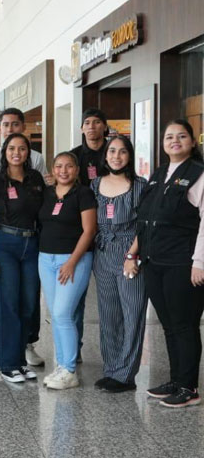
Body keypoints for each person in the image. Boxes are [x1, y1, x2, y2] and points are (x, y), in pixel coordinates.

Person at [133, 119, 204, 408]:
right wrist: (134, 254)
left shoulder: (199, 174)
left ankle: (189, 388)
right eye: (169, 137)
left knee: (184, 324)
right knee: (169, 325)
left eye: (182, 136)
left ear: (192, 141)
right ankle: (177, 380)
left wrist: (199, 262)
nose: (175, 141)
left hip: (183, 263)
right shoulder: (159, 174)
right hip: (154, 261)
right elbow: (146, 219)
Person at [0, 108, 46, 367]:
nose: (17, 153)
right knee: (8, 302)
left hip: (31, 245)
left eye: (22, 149)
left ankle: (21, 356)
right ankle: (8, 362)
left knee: (29, 302)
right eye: (12, 150)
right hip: (5, 245)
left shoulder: (36, 178)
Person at [90, 135, 147, 393]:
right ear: (105, 155)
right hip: (102, 254)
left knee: (132, 313)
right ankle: (112, 369)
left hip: (130, 254)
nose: (116, 156)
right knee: (109, 315)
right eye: (112, 151)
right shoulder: (94, 185)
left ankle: (126, 375)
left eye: (122, 152)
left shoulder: (140, 186)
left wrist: (132, 256)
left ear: (129, 156)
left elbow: (145, 226)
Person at [37, 153, 97, 390]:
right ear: (53, 169)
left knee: (63, 313)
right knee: (56, 314)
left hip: (74, 260)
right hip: (46, 259)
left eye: (69, 166)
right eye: (59, 166)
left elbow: (89, 231)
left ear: (77, 169)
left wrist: (72, 261)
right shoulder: (48, 193)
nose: (64, 170)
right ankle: (61, 366)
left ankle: (70, 369)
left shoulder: (83, 194)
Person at [68, 108, 110, 360]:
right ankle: (75, 347)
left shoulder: (115, 151)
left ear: (105, 126)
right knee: (76, 297)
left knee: (109, 296)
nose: (92, 127)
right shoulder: (74, 156)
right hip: (80, 231)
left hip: (110, 230)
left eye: (97, 122)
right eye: (87, 123)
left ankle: (113, 352)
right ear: (82, 128)